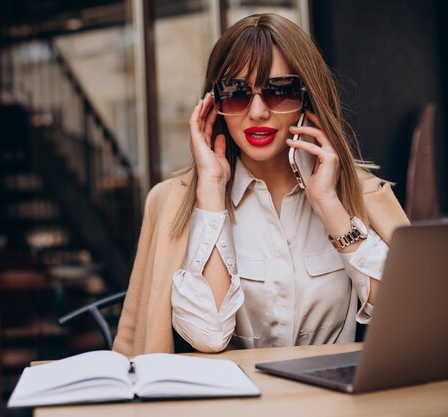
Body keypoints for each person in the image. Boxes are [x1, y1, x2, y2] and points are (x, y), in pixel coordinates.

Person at [113, 13, 409, 356]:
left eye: (279, 91)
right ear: (214, 104)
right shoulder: (169, 203)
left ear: (308, 98)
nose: (256, 112)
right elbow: (207, 336)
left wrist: (329, 204)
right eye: (237, 93)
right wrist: (210, 189)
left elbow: (409, 317)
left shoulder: (363, 195)